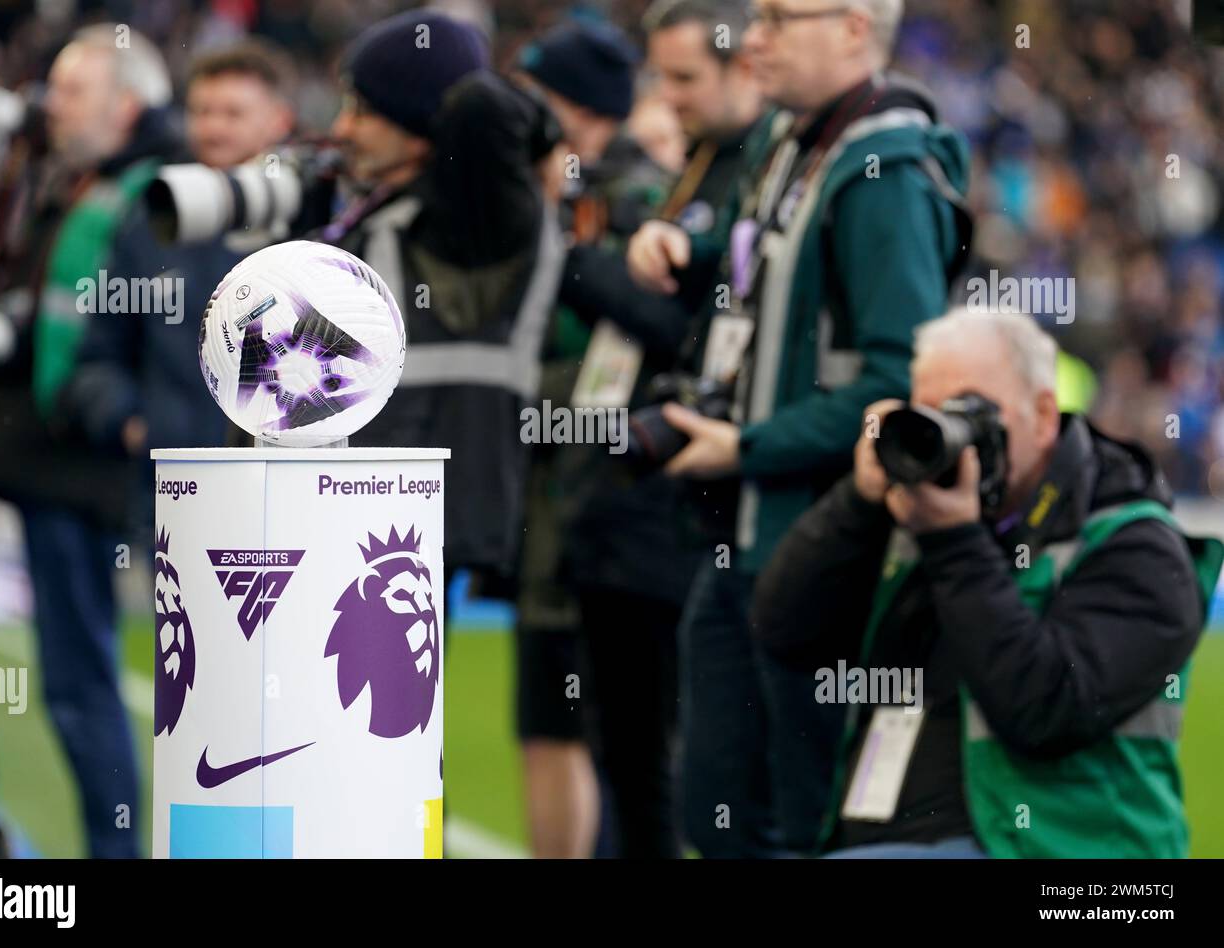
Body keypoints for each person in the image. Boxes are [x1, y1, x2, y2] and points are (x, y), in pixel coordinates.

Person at [626, 0, 972, 856]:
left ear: (854, 29)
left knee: (795, 815)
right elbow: (769, 269)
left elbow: (902, 377)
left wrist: (745, 446)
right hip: (745, 534)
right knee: (717, 804)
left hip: (815, 546)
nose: (755, 38)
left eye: (782, 17)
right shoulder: (796, 142)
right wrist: (685, 249)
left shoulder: (882, 170)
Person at [751, 309, 1223, 858]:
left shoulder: (1134, 544)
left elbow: (1043, 710)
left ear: (1044, 415)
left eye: (970, 410)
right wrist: (858, 501)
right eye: (929, 413)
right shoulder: (915, 512)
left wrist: (954, 541)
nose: (949, 435)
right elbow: (781, 628)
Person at [0, 25, 180, 858]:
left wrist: (128, 422)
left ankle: (115, 854)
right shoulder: (82, 188)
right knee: (80, 686)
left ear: (127, 104)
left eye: (72, 90)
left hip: (96, 477)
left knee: (89, 688)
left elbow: (137, 349)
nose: (51, 105)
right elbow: (29, 320)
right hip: (68, 471)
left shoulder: (151, 198)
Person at [323, 9, 563, 595]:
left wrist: (543, 133)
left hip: (421, 497)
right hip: (367, 488)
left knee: (386, 685)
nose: (342, 129)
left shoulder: (475, 214)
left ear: (421, 125)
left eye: (364, 110)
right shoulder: (387, 204)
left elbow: (479, 106)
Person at [512, 18, 672, 858]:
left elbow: (658, 345)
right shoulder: (558, 194)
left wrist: (519, 397)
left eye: (540, 96)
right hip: (555, 496)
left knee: (586, 729)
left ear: (579, 110)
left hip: (606, 504)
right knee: (552, 720)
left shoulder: (636, 203)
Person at [64, 40, 297, 533]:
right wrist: (134, 424)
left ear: (278, 120)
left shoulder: (311, 220)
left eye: (233, 113)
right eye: (202, 111)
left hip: (289, 484)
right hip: (174, 485)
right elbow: (100, 350)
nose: (213, 127)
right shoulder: (149, 221)